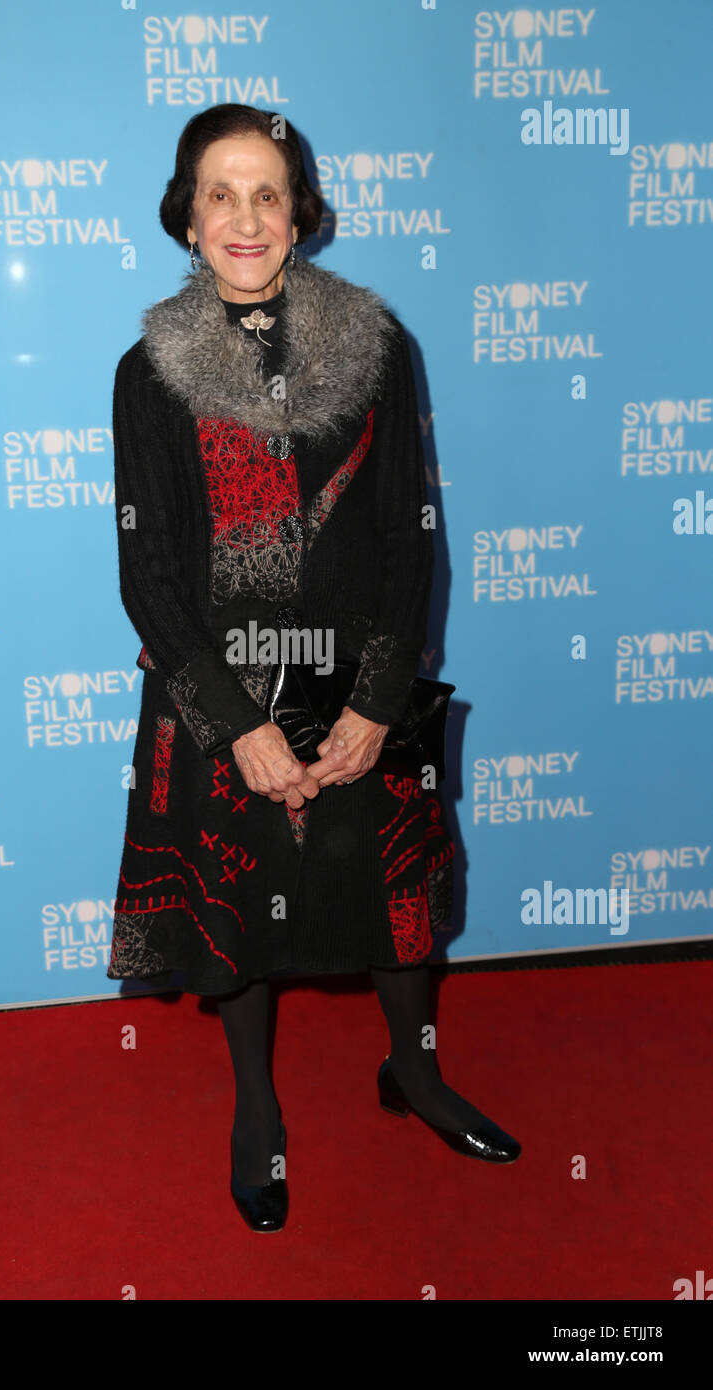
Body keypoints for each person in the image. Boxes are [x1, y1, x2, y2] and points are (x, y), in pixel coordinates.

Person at [108, 104, 520, 1232]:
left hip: (356, 686)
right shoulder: (147, 374)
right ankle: (256, 1114)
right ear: (186, 220)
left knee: (396, 909)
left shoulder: (375, 346)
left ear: (301, 216)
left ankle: (415, 1072)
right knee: (240, 918)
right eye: (219, 194)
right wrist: (235, 723)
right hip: (222, 693)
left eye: (268, 193)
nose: (245, 217)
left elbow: (408, 536)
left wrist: (377, 703)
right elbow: (147, 573)